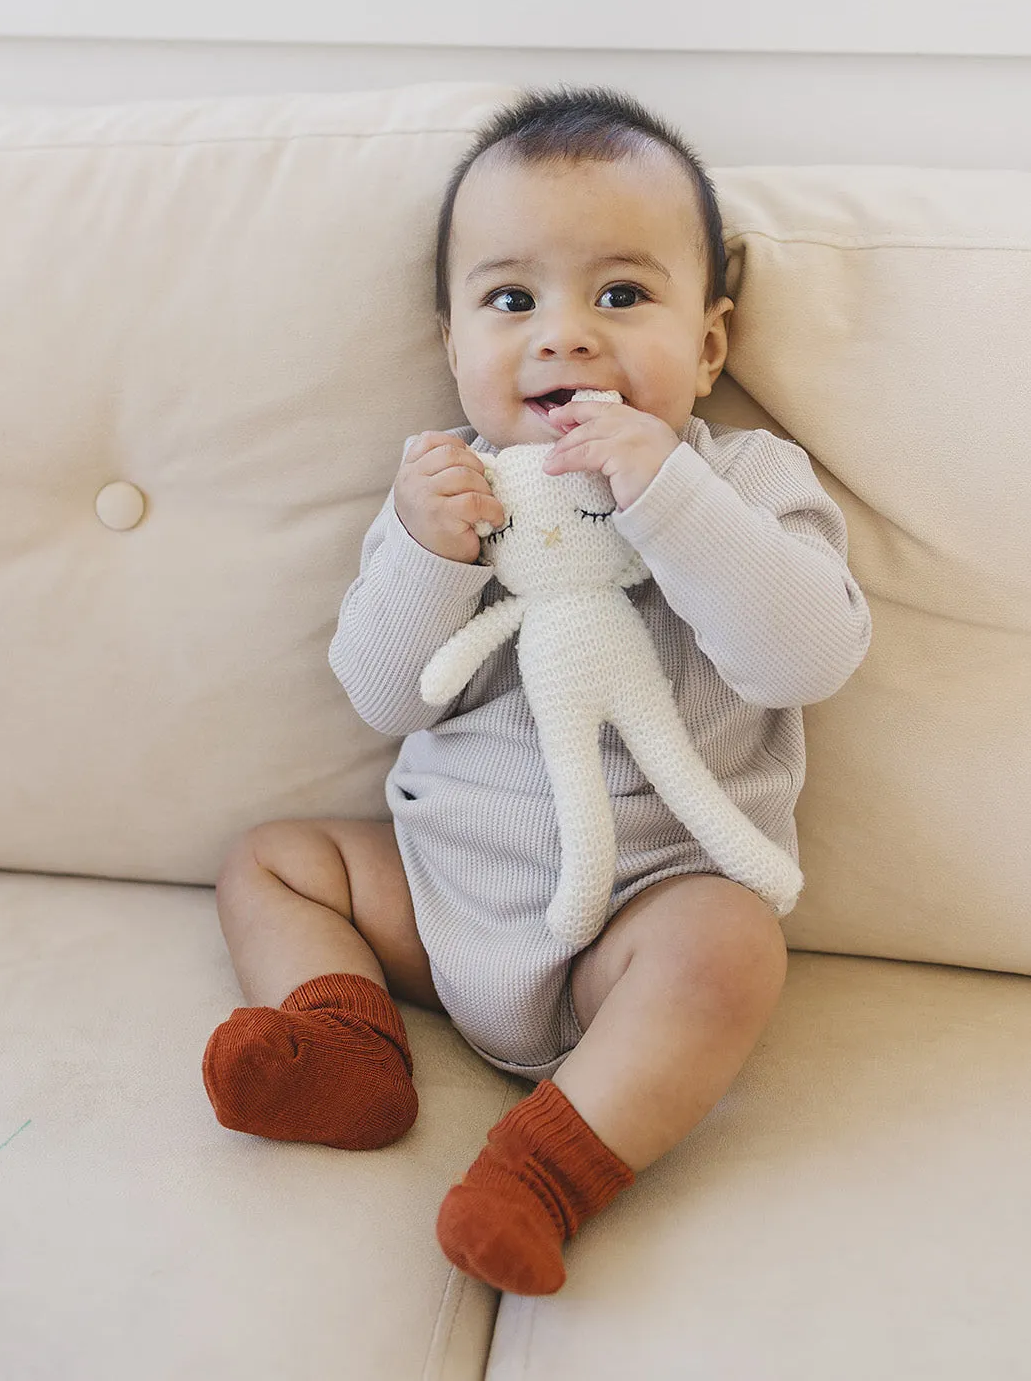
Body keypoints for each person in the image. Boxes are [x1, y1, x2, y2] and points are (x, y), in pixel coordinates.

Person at [201, 85, 873, 1296]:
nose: (563, 335)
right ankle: (346, 1040)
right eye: (512, 300)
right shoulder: (444, 489)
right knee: (271, 858)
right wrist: (424, 549)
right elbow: (384, 695)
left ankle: (541, 1173)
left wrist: (666, 495)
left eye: (621, 294)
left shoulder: (745, 477)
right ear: (456, 346)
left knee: (731, 947)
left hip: (641, 919)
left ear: (709, 343)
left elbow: (803, 655)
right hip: (450, 900)